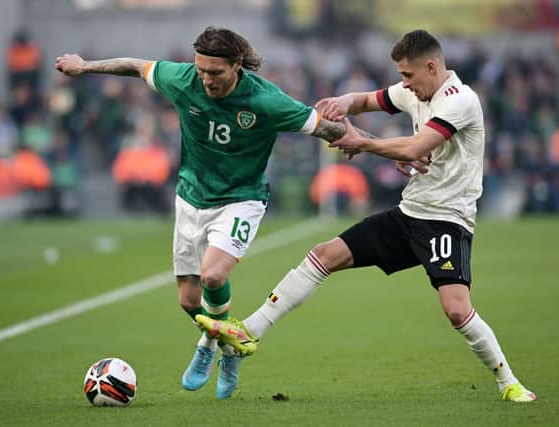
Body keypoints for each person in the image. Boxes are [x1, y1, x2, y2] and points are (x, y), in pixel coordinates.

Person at [197, 29, 537, 403]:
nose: (404, 84)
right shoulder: (414, 89)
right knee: (324, 255)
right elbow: (368, 100)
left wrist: (362, 142)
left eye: (408, 76)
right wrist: (342, 103)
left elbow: (414, 147)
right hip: (410, 213)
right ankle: (250, 331)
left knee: (456, 311)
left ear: (431, 66)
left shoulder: (460, 101)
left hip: (447, 220)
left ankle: (509, 382)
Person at [55, 26, 360, 399]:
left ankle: (206, 347)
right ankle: (229, 349)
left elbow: (331, 130)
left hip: (241, 198)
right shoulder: (183, 79)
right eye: (201, 69)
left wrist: (391, 150)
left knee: (213, 277)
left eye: (215, 72)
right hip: (190, 197)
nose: (206, 78)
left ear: (237, 66)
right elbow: (135, 66)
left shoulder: (267, 101)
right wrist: (84, 67)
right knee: (188, 300)